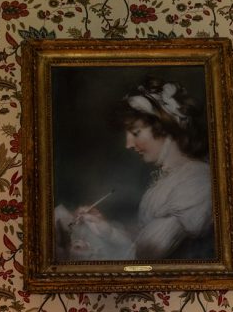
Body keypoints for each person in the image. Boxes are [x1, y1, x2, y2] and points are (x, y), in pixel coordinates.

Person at [56, 77, 215, 261]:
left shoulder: (196, 182)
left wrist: (90, 251)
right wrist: (106, 230)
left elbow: (146, 256)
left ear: (166, 128)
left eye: (136, 132)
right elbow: (140, 243)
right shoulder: (171, 178)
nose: (128, 144)